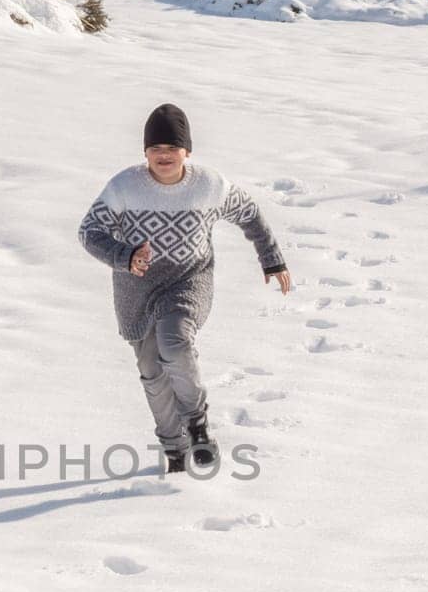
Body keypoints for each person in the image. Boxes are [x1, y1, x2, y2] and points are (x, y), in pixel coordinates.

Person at [77, 103, 292, 474]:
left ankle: (196, 423)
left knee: (174, 343)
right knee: (150, 368)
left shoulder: (208, 186)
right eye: (156, 149)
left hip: (188, 279)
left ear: (186, 152)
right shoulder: (124, 187)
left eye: (172, 149)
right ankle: (174, 448)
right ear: (145, 152)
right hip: (136, 288)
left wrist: (271, 257)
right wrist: (124, 255)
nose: (164, 156)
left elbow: (250, 213)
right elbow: (89, 232)